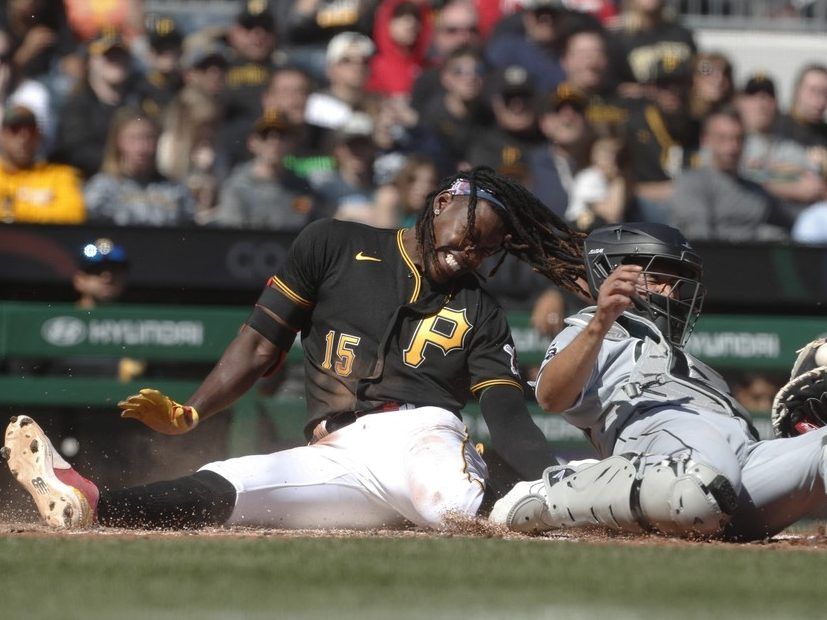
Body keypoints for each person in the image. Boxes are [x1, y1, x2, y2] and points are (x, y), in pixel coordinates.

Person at [3, 166, 587, 531]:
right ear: (442, 204)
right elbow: (259, 344)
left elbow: (508, 416)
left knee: (455, 510)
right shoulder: (333, 243)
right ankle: (91, 502)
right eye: (470, 233)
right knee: (230, 486)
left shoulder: (479, 307)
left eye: (487, 249)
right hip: (335, 455)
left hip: (421, 434)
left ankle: (586, 498)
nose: (471, 253)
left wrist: (554, 479)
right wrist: (193, 411)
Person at [491, 222, 827, 541]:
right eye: (658, 277)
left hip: (742, 456)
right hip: (664, 436)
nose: (672, 291)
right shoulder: (594, 332)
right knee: (699, 489)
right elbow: (551, 397)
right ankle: (556, 493)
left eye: (677, 282)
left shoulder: (690, 362)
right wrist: (601, 321)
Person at [670, 108, 791, 241]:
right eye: (723, 138)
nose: (732, 147)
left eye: (738, 138)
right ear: (706, 140)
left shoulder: (756, 193)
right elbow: (698, 239)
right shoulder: (691, 183)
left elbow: (782, 232)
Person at [83, 106, 196, 226]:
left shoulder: (174, 190)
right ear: (118, 141)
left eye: (149, 138)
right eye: (134, 138)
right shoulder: (102, 188)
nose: (142, 148)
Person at [214, 109, 317, 231]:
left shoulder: (301, 187)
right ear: (252, 143)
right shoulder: (237, 187)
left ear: (291, 143)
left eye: (282, 135)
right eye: (265, 135)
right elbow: (230, 238)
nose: (274, 141)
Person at [0, 104, 84, 224]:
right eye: (15, 129)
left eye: (31, 130)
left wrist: (13, 209)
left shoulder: (61, 176)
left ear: (39, 135)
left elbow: (73, 216)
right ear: (2, 135)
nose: (24, 137)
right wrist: (39, 206)